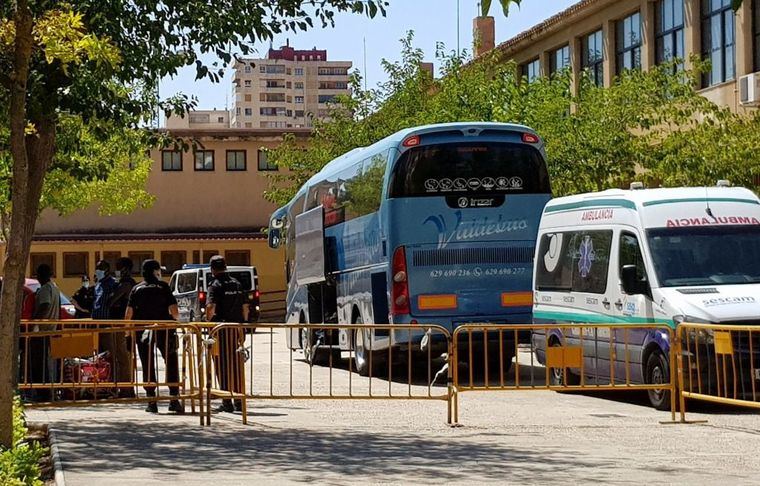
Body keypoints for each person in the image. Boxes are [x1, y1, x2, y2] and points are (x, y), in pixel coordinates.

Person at [126, 259, 184, 414]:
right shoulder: (163, 287)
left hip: (143, 331)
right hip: (164, 330)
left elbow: (128, 314)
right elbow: (174, 310)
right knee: (171, 361)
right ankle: (174, 399)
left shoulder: (136, 289)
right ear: (154, 271)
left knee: (147, 363)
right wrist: (176, 322)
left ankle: (151, 401)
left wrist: (127, 334)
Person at [206, 255, 249, 413]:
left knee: (222, 365)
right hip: (237, 330)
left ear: (212, 269)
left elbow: (210, 307)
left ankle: (227, 401)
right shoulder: (237, 283)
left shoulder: (215, 285)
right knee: (236, 365)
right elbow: (245, 307)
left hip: (221, 331)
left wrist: (208, 324)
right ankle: (239, 399)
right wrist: (243, 326)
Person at [92, 259, 132, 397]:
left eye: (101, 268)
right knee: (105, 358)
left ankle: (124, 387)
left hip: (112, 325)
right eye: (97, 268)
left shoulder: (114, 284)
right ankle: (107, 386)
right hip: (99, 326)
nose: (98, 271)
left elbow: (114, 301)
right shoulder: (98, 285)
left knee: (118, 356)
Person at [30, 264, 60, 401]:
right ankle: (47, 392)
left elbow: (45, 304)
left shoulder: (44, 289)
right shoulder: (55, 288)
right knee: (47, 364)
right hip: (51, 330)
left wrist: (35, 320)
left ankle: (43, 393)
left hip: (41, 331)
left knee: (39, 364)